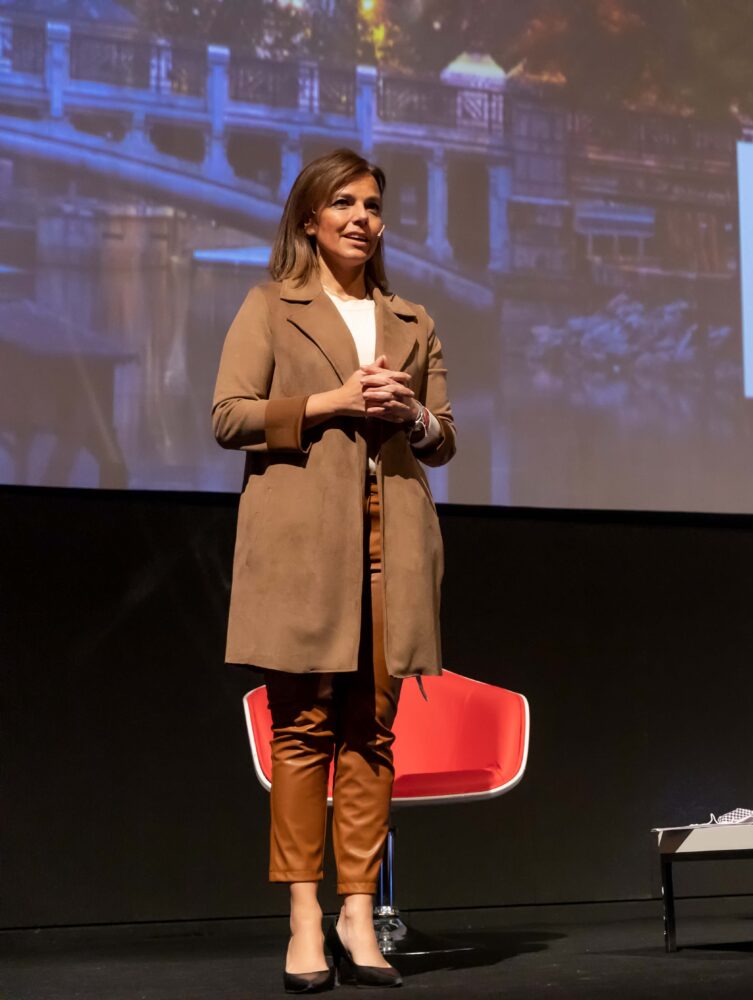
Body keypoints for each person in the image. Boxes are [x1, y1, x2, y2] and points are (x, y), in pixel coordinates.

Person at [212, 148, 456, 991]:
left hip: (393, 538)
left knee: (372, 731)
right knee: (303, 728)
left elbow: (445, 437)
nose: (361, 218)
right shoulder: (269, 306)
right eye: (344, 203)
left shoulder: (412, 319)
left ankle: (359, 911)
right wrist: (333, 404)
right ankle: (304, 917)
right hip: (303, 544)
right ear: (310, 219)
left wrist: (413, 413)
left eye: (373, 206)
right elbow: (229, 417)